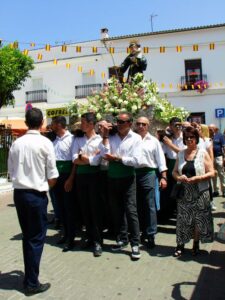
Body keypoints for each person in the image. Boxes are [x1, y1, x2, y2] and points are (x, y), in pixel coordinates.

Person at [8, 108, 59, 296]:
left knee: (29, 236)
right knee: (36, 238)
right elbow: (53, 175)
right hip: (36, 195)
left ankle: (29, 276)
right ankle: (31, 282)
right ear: (42, 122)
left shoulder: (16, 143)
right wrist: (44, 187)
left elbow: (11, 172)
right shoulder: (45, 143)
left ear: (26, 121)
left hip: (20, 194)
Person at [101, 112, 142, 259]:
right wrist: (105, 135)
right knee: (116, 211)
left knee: (131, 211)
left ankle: (135, 243)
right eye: (117, 121)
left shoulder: (136, 138)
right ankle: (122, 239)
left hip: (128, 178)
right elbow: (104, 154)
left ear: (130, 124)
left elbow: (137, 161)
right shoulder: (111, 136)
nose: (118, 124)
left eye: (122, 122)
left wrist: (118, 158)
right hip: (112, 178)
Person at [172, 126, 214, 257]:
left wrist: (198, 178)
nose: (189, 140)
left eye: (192, 137)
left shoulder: (203, 153)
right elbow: (174, 171)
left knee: (198, 219)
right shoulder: (180, 153)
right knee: (183, 219)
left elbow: (212, 172)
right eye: (187, 138)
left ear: (196, 139)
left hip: (200, 191)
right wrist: (178, 177)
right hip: (184, 192)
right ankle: (180, 244)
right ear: (184, 140)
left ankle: (196, 244)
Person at [71, 112, 103, 257]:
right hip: (81, 177)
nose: (81, 125)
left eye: (83, 122)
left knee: (95, 208)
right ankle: (89, 237)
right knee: (84, 208)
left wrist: (84, 157)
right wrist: (87, 158)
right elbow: (74, 158)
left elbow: (97, 161)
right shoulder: (78, 139)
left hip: (95, 177)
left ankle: (97, 241)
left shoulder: (100, 139)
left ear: (91, 124)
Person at [135, 117, 167, 248]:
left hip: (148, 173)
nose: (141, 126)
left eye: (144, 124)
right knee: (136, 205)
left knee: (150, 205)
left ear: (148, 126)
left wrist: (163, 177)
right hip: (133, 174)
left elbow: (160, 160)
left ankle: (151, 234)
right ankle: (139, 232)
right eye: (138, 124)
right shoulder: (131, 140)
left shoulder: (154, 141)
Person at [51, 116, 77, 252]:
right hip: (56, 177)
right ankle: (65, 233)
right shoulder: (54, 140)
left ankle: (71, 238)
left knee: (69, 209)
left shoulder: (71, 139)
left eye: (53, 124)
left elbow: (74, 162)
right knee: (60, 208)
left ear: (60, 125)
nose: (51, 126)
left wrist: (71, 179)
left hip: (66, 176)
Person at [159, 117, 185, 216]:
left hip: (182, 164)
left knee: (181, 190)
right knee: (170, 190)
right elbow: (162, 153)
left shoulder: (185, 137)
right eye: (176, 125)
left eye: (180, 125)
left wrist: (170, 145)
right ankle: (170, 211)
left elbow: (184, 153)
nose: (178, 127)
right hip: (171, 164)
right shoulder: (167, 138)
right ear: (170, 126)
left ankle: (181, 212)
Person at [208, 124, 225, 197]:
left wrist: (224, 157)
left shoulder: (220, 136)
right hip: (210, 158)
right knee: (213, 175)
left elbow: (223, 147)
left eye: (211, 128)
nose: (210, 129)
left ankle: (224, 190)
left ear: (215, 129)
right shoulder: (207, 136)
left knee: (221, 174)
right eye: (209, 128)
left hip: (219, 157)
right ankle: (215, 190)